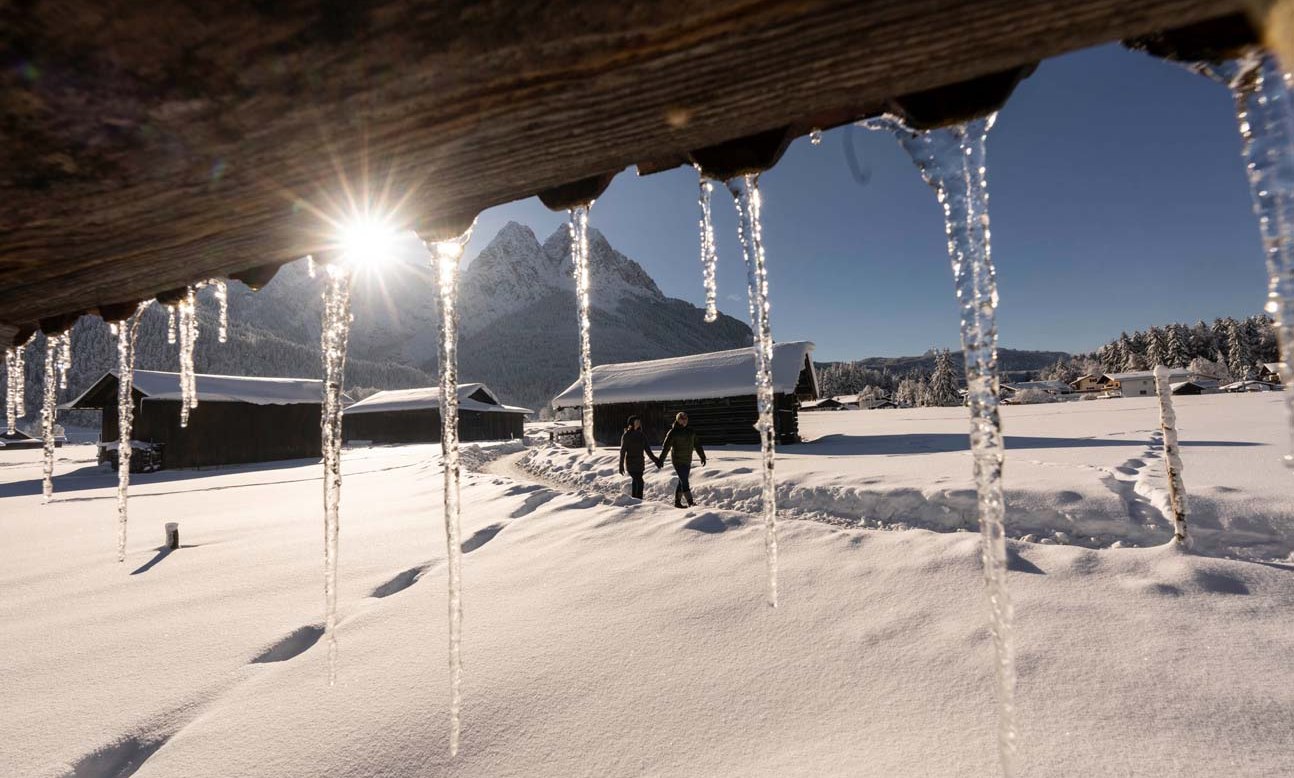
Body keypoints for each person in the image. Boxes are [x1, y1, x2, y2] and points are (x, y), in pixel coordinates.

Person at [657, 411, 706, 508]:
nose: (684, 421)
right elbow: (666, 447)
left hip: (687, 460)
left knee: (682, 481)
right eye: (682, 419)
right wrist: (661, 459)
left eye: (686, 419)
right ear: (677, 420)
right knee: (684, 481)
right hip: (678, 460)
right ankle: (690, 502)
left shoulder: (691, 432)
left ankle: (677, 502)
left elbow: (697, 445)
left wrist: (702, 456)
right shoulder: (673, 432)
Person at [618, 415, 660, 500]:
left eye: (639, 422)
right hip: (631, 463)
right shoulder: (626, 436)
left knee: (635, 482)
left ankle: (634, 500)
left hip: (640, 463)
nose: (638, 423)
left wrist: (656, 461)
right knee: (640, 482)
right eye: (636, 422)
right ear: (631, 423)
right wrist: (621, 465)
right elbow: (622, 451)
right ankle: (639, 501)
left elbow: (648, 451)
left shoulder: (642, 435)